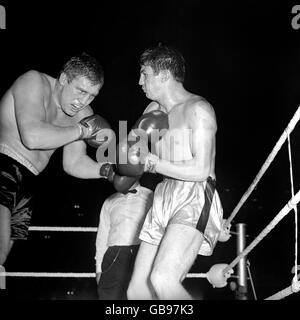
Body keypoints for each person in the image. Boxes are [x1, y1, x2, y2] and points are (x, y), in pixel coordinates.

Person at [126, 44, 224, 300]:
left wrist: (151, 163)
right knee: (137, 290)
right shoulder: (151, 111)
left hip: (195, 193)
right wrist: (123, 163)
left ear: (164, 75)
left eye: (144, 74)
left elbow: (201, 170)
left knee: (163, 278)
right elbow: (131, 154)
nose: (139, 81)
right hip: (163, 193)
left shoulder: (198, 109)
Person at [0, 53, 113, 267]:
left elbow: (73, 163)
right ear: (63, 79)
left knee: (2, 256)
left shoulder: (83, 114)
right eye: (80, 91)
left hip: (30, 180)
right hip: (4, 164)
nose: (83, 102)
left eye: (92, 95)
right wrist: (82, 130)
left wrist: (107, 171)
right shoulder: (34, 82)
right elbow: (32, 137)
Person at [95, 174, 155, 300]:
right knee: (108, 297)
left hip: (141, 253)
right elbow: (102, 236)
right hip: (113, 255)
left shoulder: (151, 196)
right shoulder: (109, 201)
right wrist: (98, 268)